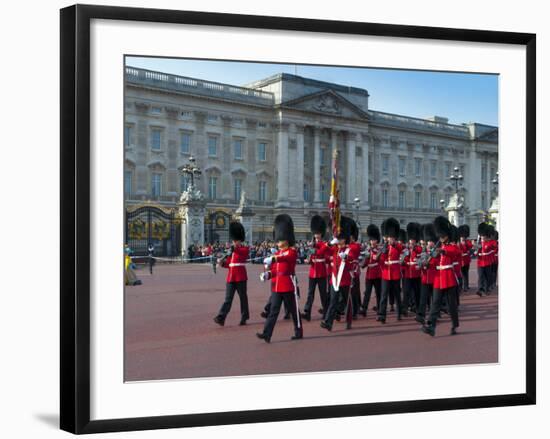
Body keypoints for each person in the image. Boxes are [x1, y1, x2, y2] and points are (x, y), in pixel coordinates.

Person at [256, 214, 303, 343]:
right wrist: (267, 275)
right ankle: (267, 334)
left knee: (293, 310)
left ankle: (298, 331)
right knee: (273, 311)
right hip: (277, 286)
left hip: (288, 285)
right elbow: (276, 270)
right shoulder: (277, 253)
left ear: (287, 239)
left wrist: (274, 258)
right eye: (277, 240)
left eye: (280, 240)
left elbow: (286, 258)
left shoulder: (291, 252)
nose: (278, 243)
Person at [421, 216, 461, 337]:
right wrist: (427, 264)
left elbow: (455, 253)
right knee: (436, 303)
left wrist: (443, 251)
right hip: (438, 278)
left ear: (447, 235)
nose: (441, 238)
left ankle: (454, 324)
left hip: (449, 277)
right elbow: (433, 262)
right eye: (440, 235)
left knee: (451, 305)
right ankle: (431, 326)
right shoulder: (438, 247)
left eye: (442, 235)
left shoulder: (452, 246)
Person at [320, 216, 356, 331]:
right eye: (338, 238)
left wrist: (346, 257)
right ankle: (328, 323)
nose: (339, 240)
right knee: (333, 301)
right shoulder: (334, 249)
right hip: (335, 280)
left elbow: (351, 262)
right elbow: (321, 251)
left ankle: (349, 320)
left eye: (340, 238)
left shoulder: (349, 249)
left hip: (344, 279)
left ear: (344, 239)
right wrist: (330, 244)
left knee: (347, 302)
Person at [213, 222, 250, 326]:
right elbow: (229, 264)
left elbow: (242, 253)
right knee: (228, 299)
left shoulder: (244, 248)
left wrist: (233, 249)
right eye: (233, 240)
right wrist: (221, 263)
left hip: (241, 276)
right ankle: (221, 317)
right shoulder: (232, 251)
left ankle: (244, 316)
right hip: (231, 277)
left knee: (243, 298)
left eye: (235, 240)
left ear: (240, 240)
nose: (234, 242)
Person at [301, 215, 330, 321]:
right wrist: (308, 260)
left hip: (321, 272)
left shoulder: (324, 244)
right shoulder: (312, 245)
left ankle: (326, 312)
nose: (316, 235)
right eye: (315, 233)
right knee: (310, 294)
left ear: (321, 234)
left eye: (317, 233)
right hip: (313, 271)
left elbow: (323, 254)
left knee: (323, 294)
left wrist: (314, 249)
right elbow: (310, 256)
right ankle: (307, 312)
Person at [377, 218, 404, 323]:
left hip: (395, 273)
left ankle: (399, 313)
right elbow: (379, 260)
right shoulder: (384, 247)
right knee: (384, 295)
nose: (390, 239)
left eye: (392, 237)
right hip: (385, 274)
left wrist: (394, 245)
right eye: (389, 237)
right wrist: (382, 252)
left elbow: (401, 251)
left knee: (397, 294)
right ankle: (382, 315)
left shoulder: (398, 246)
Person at [415, 224, 438, 324]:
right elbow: (420, 261)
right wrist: (420, 264)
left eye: (431, 241)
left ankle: (434, 315)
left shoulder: (437, 252)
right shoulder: (424, 251)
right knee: (423, 298)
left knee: (434, 299)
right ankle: (421, 315)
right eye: (428, 241)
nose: (429, 243)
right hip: (425, 278)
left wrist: (428, 263)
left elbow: (436, 263)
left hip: (434, 278)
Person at [360, 224, 382, 316]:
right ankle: (364, 308)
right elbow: (363, 264)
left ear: (377, 241)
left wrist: (374, 255)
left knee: (378, 292)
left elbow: (380, 261)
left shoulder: (380, 250)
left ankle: (379, 308)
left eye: (374, 240)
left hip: (377, 274)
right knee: (367, 292)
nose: (372, 242)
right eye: (371, 240)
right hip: (369, 274)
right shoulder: (367, 250)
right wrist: (364, 260)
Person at [402, 222, 422, 315]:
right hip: (407, 273)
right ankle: (405, 308)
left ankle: (417, 307)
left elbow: (420, 259)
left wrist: (414, 250)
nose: (411, 241)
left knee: (416, 292)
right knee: (406, 292)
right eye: (410, 239)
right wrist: (403, 262)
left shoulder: (419, 249)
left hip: (416, 273)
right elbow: (403, 260)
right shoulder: (406, 249)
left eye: (413, 239)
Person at [475, 222, 495, 297]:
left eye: (483, 236)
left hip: (487, 262)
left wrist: (488, 241)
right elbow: (475, 253)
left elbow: (492, 248)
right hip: (480, 262)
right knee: (480, 276)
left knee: (487, 277)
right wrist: (476, 250)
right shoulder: (478, 243)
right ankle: (480, 289)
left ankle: (486, 289)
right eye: (482, 236)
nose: (482, 237)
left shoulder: (489, 243)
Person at [458, 225, 472, 291]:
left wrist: (465, 244)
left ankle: (466, 286)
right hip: (460, 260)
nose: (462, 238)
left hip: (466, 260)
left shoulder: (467, 242)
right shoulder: (458, 243)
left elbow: (470, 247)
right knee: (460, 274)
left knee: (465, 273)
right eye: (461, 236)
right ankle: (460, 286)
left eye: (463, 236)